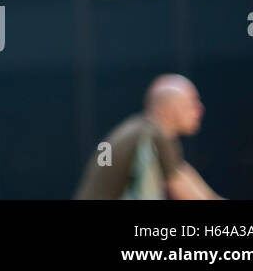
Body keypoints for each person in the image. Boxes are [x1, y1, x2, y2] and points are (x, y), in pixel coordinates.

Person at [73, 74, 223, 200]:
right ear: (169, 108)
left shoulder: (143, 131)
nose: (199, 109)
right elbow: (184, 190)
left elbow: (182, 173)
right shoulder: (153, 134)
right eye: (191, 102)